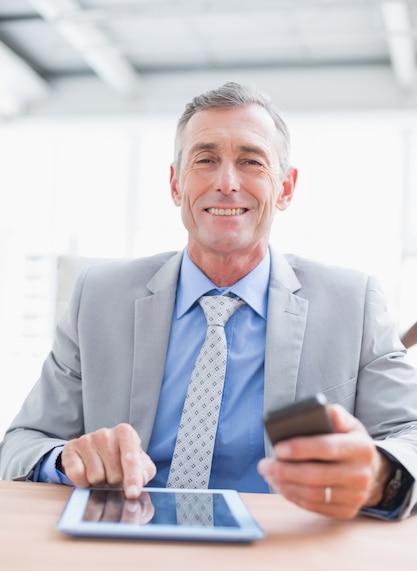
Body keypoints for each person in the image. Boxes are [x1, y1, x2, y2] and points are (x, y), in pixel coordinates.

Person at [1, 81, 417, 522]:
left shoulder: (352, 303)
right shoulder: (99, 298)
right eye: (205, 160)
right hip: (124, 544)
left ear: (286, 189)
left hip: (281, 551)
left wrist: (377, 473)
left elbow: (410, 433)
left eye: (251, 161)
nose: (226, 182)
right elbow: (21, 444)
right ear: (176, 184)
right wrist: (67, 459)